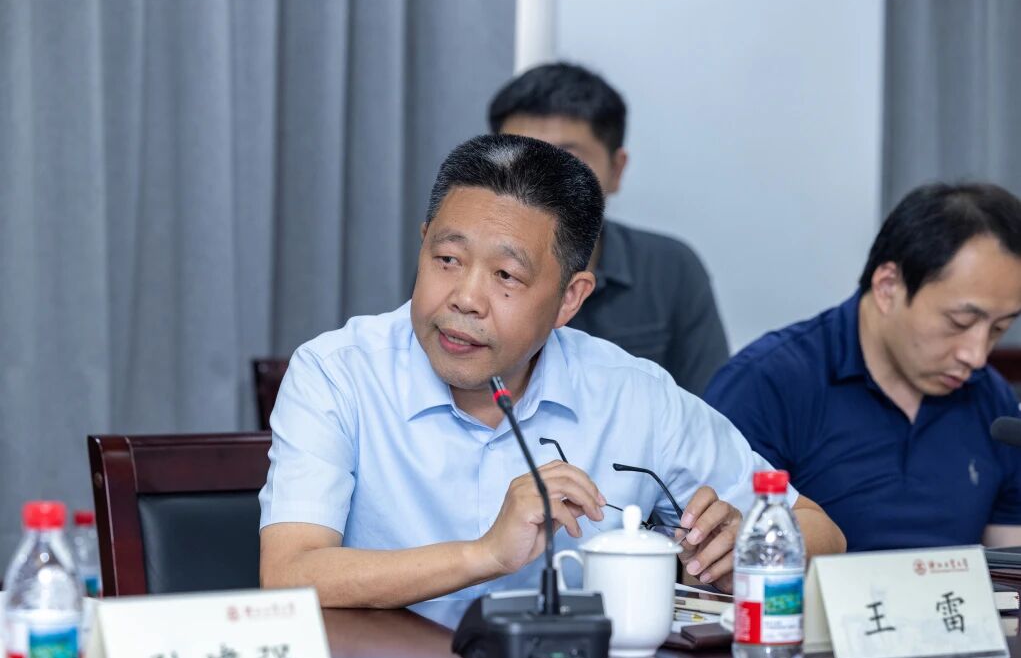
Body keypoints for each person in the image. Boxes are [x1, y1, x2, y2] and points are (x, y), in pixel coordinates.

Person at [258, 134, 844, 608]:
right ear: (422, 245)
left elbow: (821, 532)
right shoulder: (337, 374)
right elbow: (289, 573)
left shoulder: (632, 395)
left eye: (506, 277)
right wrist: (486, 554)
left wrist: (748, 543)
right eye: (447, 259)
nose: (465, 298)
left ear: (570, 299)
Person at [705, 182, 1021, 552]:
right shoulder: (767, 385)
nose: (977, 356)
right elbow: (719, 561)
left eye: (999, 329)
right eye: (960, 322)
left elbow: (1010, 559)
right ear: (888, 287)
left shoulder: (990, 399)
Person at [488, 62, 728, 395]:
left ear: (616, 169)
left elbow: (708, 411)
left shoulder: (671, 271)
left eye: (565, 163)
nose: (538, 183)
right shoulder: (455, 266)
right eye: (520, 159)